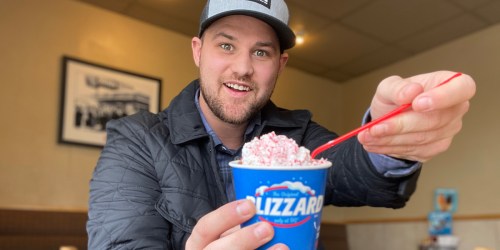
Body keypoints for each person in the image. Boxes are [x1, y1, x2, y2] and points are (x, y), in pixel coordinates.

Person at [86, 0, 476, 249]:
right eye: (226, 45)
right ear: (198, 51)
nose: (242, 67)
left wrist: (389, 140)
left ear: (280, 65)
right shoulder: (137, 139)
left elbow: (363, 173)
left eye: (261, 52)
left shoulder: (297, 135)